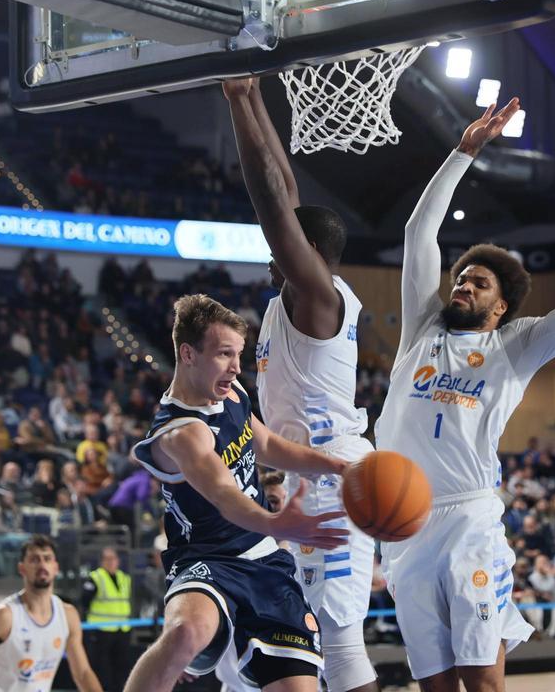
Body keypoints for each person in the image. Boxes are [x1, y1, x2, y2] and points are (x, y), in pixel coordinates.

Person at [375, 97, 555, 691]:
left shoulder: (516, 347)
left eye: (478, 283)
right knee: (434, 685)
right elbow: (417, 233)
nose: (463, 284)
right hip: (403, 526)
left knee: (482, 681)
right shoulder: (422, 328)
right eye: (461, 277)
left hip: (468, 520)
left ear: (500, 306)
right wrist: (462, 153)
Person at [223, 77, 378, 692]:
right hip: (310, 475)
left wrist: (237, 106)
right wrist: (252, 95)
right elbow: (284, 191)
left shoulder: (317, 297)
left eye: (284, 244)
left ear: (306, 251)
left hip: (331, 475)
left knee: (337, 643)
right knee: (314, 640)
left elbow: (271, 202)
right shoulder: (298, 299)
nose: (270, 252)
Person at [126, 294, 351, 692]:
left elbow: (266, 444)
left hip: (265, 563)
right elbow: (224, 495)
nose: (235, 367)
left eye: (239, 355)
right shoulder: (181, 434)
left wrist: (335, 466)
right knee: (185, 632)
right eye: (225, 354)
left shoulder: (231, 394)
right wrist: (274, 521)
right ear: (188, 354)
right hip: (206, 560)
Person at [0, 535, 102, 692]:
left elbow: (82, 673)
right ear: (21, 568)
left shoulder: (68, 615)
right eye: (34, 559)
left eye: (47, 558)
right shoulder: (3, 616)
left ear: (55, 567)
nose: (42, 565)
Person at [83, 548, 133, 691]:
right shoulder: (95, 577)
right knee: (102, 668)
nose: (111, 562)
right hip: (101, 629)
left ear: (118, 561)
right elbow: (84, 601)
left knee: (122, 667)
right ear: (102, 562)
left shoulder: (125, 578)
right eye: (107, 559)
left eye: (113, 559)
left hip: (122, 628)